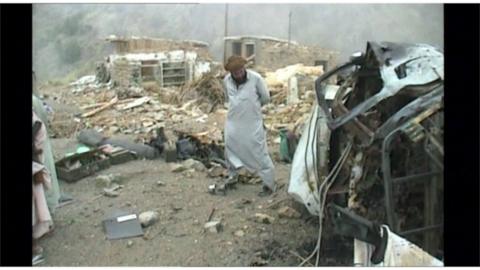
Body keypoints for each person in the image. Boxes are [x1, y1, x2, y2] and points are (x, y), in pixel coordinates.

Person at [223, 55, 276, 196]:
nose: (238, 74)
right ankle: (232, 177)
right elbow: (227, 98)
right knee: (230, 147)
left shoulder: (256, 79)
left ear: (244, 68)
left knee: (259, 152)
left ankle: (269, 184)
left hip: (252, 122)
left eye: (240, 70)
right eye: (235, 72)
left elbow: (265, 98)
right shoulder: (227, 81)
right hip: (233, 122)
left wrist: (252, 107)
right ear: (230, 72)